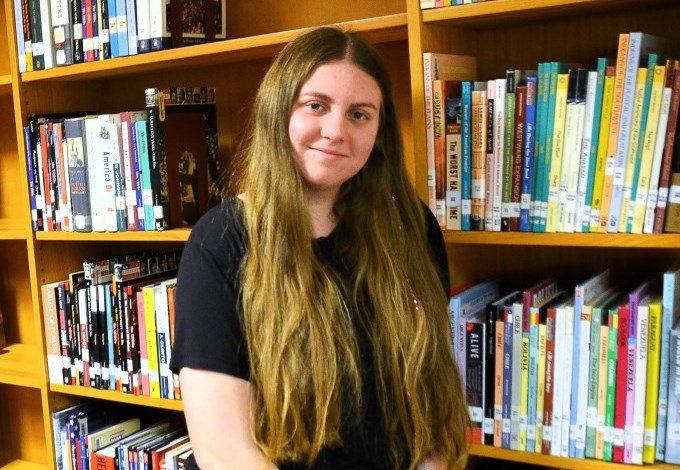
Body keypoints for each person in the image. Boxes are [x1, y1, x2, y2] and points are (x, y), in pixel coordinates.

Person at [169, 26, 469, 470]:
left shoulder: (411, 227)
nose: (335, 131)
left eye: (359, 115)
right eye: (316, 106)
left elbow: (431, 400)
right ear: (278, 112)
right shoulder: (222, 241)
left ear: (379, 131)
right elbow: (224, 452)